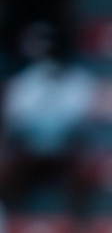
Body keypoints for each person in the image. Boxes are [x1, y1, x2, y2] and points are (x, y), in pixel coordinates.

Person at [0, 22, 94, 216]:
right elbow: (19, 118)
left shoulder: (79, 79)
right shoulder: (24, 81)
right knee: (9, 171)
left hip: (65, 148)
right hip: (30, 148)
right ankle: (16, 225)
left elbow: (80, 117)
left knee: (80, 171)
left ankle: (76, 231)